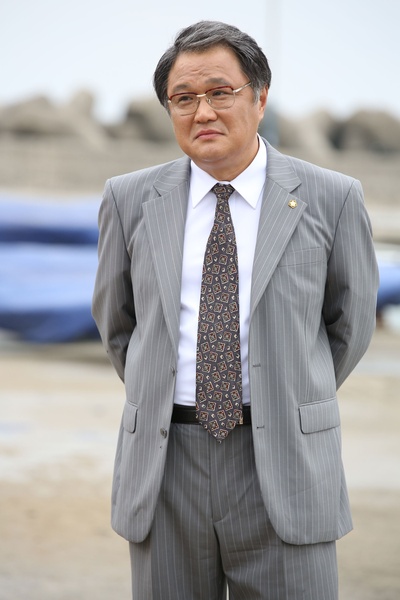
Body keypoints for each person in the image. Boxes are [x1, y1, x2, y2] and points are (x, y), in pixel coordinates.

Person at [92, 20, 379, 600]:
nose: (203, 112)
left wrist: (291, 391)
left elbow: (348, 326)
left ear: (260, 97)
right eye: (183, 98)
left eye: (220, 92)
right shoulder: (129, 199)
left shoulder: (332, 197)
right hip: (165, 462)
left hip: (286, 461)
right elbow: (118, 324)